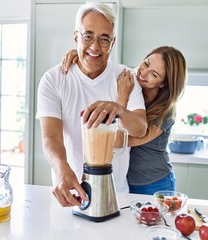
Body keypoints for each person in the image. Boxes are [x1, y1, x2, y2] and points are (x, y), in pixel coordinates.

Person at [36, 1, 147, 207]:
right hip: (69, 194)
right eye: (88, 36)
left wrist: (119, 110)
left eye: (104, 39)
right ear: (76, 36)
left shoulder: (126, 77)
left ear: (112, 43)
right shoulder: (53, 79)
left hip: (116, 196)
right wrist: (61, 168)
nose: (95, 46)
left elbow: (140, 128)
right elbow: (50, 137)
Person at [62, 46, 187, 195]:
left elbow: (118, 140)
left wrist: (123, 97)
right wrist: (83, 55)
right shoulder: (130, 79)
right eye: (146, 63)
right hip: (126, 181)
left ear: (163, 83)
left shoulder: (166, 113)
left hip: (154, 183)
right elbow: (107, 67)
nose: (143, 73)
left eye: (153, 74)